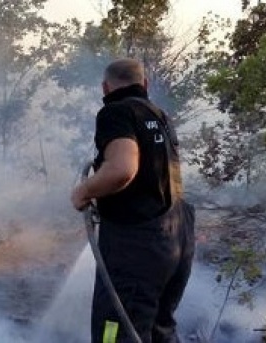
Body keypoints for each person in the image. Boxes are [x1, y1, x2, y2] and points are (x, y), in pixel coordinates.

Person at [71, 58, 195, 343]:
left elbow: (122, 170)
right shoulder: (160, 116)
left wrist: (83, 191)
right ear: (145, 84)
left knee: (115, 333)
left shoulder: (116, 112)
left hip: (137, 248)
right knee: (159, 329)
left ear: (105, 87)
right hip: (177, 241)